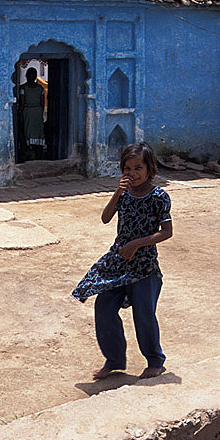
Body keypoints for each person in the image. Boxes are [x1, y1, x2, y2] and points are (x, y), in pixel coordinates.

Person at [72, 142, 172, 380]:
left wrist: (137, 243)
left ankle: (155, 361)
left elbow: (167, 232)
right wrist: (117, 193)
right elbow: (106, 218)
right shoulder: (124, 194)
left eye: (138, 168)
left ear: (149, 168)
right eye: (127, 168)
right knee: (104, 308)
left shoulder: (158, 196)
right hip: (118, 262)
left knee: (144, 314)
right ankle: (114, 360)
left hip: (144, 265)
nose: (132, 173)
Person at [18, 67, 46, 160]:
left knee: (27, 130)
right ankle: (38, 152)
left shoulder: (23, 88)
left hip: (27, 112)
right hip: (37, 112)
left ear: (26, 76)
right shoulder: (40, 88)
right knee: (37, 131)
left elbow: (22, 103)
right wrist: (40, 112)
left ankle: (28, 149)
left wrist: (19, 112)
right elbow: (42, 102)